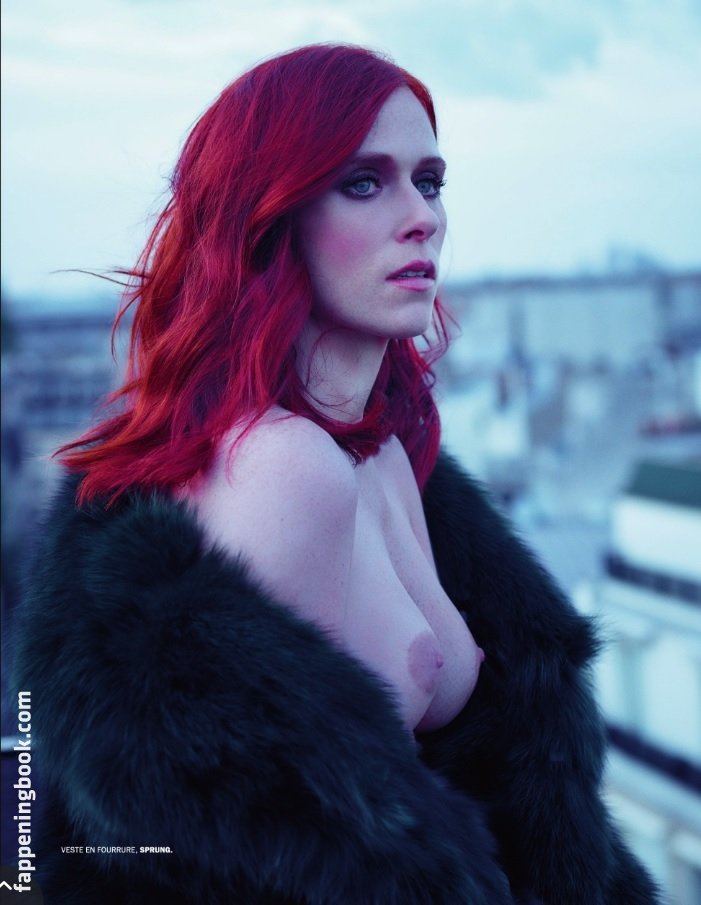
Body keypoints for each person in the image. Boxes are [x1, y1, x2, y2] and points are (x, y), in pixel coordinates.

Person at [12, 44, 659, 904]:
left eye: (428, 181)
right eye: (362, 182)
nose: (421, 217)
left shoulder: (387, 452)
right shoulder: (286, 467)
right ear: (266, 218)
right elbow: (262, 860)